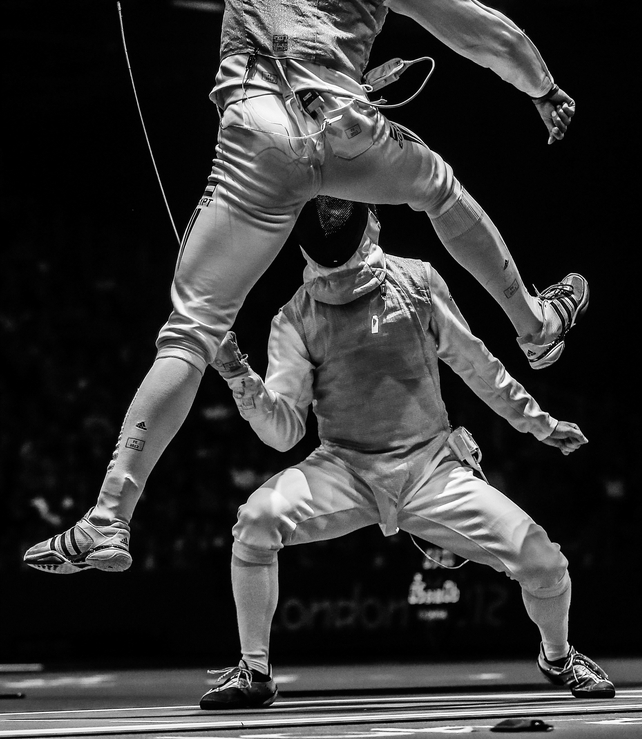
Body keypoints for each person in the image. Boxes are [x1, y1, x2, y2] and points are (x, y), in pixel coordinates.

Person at [24, 0, 587, 575]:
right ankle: (537, 328)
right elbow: (477, 28)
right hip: (343, 128)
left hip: (254, 142)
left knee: (189, 333)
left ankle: (108, 518)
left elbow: (293, 22)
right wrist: (541, 84)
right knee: (438, 188)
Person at [200, 197, 613, 710]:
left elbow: (475, 362)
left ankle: (558, 656)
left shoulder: (416, 283)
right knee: (257, 521)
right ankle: (254, 670)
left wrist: (537, 423)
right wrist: (239, 373)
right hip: (345, 470)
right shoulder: (296, 319)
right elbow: (286, 430)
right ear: (371, 225)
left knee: (545, 563)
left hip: (430, 469)